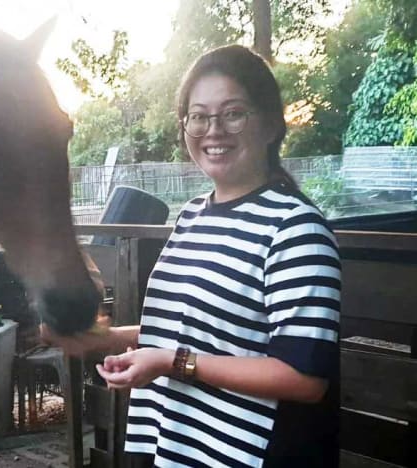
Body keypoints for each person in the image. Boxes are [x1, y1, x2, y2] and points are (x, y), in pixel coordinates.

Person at [46, 45, 341, 467]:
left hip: (240, 453)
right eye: (198, 116)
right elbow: (187, 325)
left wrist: (173, 363)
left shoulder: (295, 228)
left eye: (233, 113)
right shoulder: (193, 214)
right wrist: (100, 339)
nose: (213, 130)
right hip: (177, 444)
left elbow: (304, 378)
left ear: (273, 123)